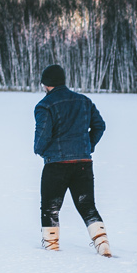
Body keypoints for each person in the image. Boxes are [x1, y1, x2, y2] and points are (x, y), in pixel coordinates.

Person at [34, 64, 111, 256]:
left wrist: (39, 149)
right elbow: (100, 126)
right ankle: (103, 244)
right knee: (87, 206)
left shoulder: (44, 105)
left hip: (56, 164)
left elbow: (43, 133)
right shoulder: (84, 101)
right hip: (83, 164)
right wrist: (87, 146)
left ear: (46, 84)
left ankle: (51, 247)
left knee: (50, 208)